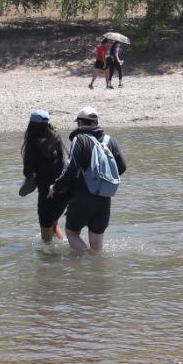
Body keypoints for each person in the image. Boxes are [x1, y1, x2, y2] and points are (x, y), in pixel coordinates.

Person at [52, 106, 127, 253]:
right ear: (96, 122)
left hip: (82, 198)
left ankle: (83, 262)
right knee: (97, 246)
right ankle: (96, 270)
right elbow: (122, 167)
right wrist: (103, 178)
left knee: (72, 234)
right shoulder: (109, 141)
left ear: (80, 123)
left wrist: (55, 187)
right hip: (104, 199)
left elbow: (70, 168)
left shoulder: (80, 140)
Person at [20, 109, 69, 243]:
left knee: (46, 234)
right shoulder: (57, 138)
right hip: (62, 189)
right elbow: (62, 163)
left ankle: (50, 258)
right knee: (53, 222)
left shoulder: (32, 143)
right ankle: (64, 242)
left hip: (46, 193)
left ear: (32, 125)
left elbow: (28, 172)